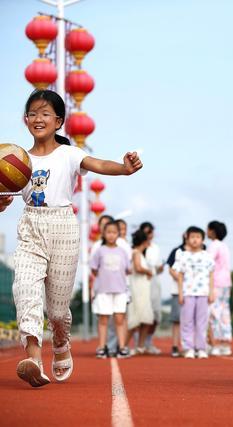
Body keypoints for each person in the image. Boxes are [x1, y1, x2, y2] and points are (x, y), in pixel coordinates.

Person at [6, 89, 141, 387]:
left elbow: (101, 165)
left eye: (45, 113)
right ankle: (33, 360)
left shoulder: (69, 154)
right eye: (33, 113)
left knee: (56, 308)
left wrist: (125, 169)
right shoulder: (17, 159)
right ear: (25, 120)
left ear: (59, 121)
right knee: (25, 289)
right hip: (31, 225)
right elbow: (5, 195)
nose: (38, 118)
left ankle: (61, 341)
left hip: (63, 226)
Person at [90, 221, 131, 359]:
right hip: (103, 291)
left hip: (120, 290)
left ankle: (122, 347)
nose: (111, 235)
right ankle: (101, 347)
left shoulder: (123, 251)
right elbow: (94, 269)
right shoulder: (100, 251)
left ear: (118, 234)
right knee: (103, 320)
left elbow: (127, 270)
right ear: (104, 233)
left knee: (120, 319)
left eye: (114, 232)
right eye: (109, 232)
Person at [174, 226, 214, 359]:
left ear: (202, 239)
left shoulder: (207, 256)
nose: (195, 240)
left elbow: (211, 274)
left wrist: (211, 292)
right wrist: (180, 293)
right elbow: (179, 276)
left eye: (198, 237)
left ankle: (201, 348)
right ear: (187, 238)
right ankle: (188, 348)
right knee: (187, 321)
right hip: (188, 293)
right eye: (192, 237)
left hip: (203, 293)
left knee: (202, 322)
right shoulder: (183, 256)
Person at [206, 221, 233, 356]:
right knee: (224, 314)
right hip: (226, 283)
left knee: (214, 313)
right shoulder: (224, 246)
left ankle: (215, 344)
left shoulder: (213, 246)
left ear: (212, 231)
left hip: (215, 283)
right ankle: (225, 344)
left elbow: (208, 265)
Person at [126, 229, 155, 353]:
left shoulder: (139, 253)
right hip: (137, 290)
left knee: (146, 319)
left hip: (142, 289)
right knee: (136, 320)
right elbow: (138, 267)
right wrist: (148, 271)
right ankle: (123, 345)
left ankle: (140, 346)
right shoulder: (136, 253)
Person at [139, 222, 164, 355]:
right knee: (141, 314)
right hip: (140, 283)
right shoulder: (136, 248)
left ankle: (148, 341)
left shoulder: (155, 247)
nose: (149, 235)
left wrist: (159, 269)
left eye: (151, 232)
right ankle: (140, 343)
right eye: (146, 232)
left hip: (153, 282)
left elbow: (156, 268)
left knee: (155, 314)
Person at [166, 233, 187, 358]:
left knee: (192, 320)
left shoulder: (202, 251)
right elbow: (170, 268)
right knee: (177, 319)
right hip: (177, 291)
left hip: (195, 292)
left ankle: (190, 346)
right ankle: (175, 346)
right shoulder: (177, 251)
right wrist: (181, 279)